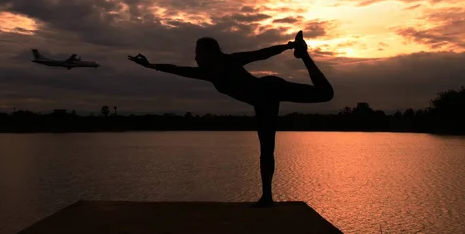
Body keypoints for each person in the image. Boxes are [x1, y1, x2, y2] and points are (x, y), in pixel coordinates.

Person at [127, 31, 334, 207]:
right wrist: (150, 65)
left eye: (198, 53)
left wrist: (287, 46)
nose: (195, 57)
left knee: (325, 94)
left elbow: (260, 54)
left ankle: (303, 53)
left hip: (269, 88)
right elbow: (178, 70)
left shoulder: (229, 61)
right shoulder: (207, 73)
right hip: (262, 103)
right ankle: (267, 197)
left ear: (210, 53)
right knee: (266, 149)